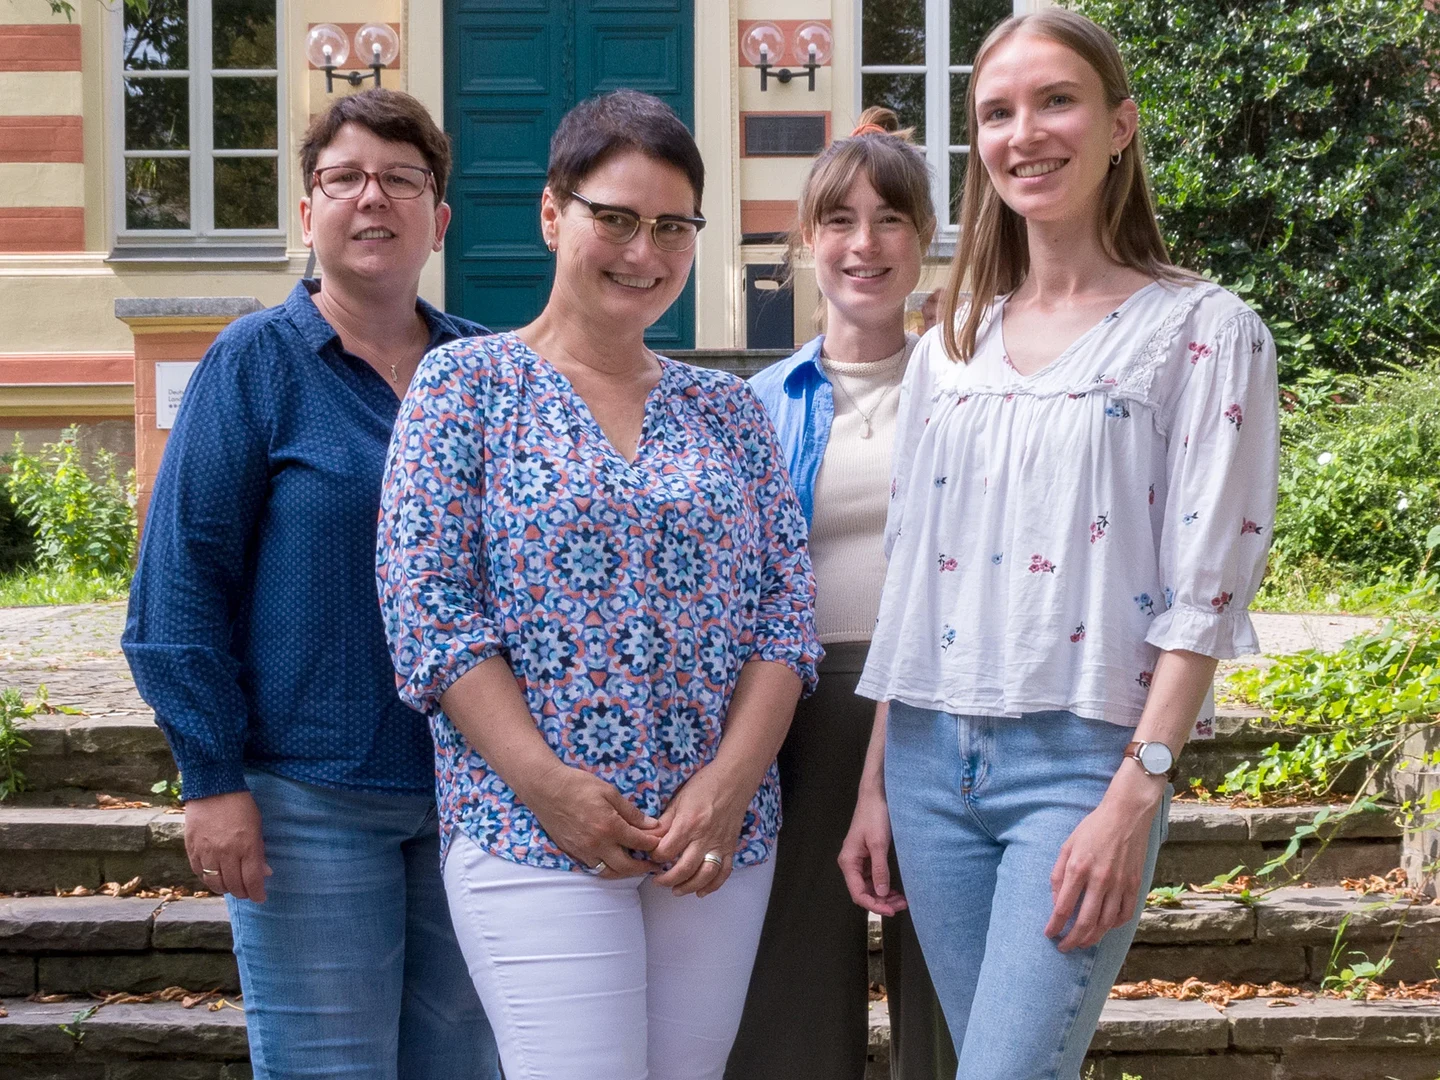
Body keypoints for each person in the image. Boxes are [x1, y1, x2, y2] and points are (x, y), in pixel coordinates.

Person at [842, 10, 1280, 1078]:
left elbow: (1207, 588)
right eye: (997, 111)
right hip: (930, 761)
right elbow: (915, 573)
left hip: (1083, 763)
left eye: (1057, 101)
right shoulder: (950, 342)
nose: (1024, 133)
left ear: (1121, 124)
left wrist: (1140, 788)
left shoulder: (1207, 332)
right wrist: (874, 786)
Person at [375, 88, 822, 1080]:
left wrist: (732, 784)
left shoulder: (728, 412)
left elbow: (786, 616)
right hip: (531, 829)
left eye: (672, 226)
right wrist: (549, 786)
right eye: (613, 218)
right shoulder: (466, 388)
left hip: (714, 841)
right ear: (552, 214)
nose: (643, 250)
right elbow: (432, 613)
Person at [121, 88, 499, 1080]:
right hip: (304, 801)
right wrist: (211, 777)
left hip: (478, 799)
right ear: (307, 211)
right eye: (344, 179)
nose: (372, 200)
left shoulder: (487, 374)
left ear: (439, 216)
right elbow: (178, 587)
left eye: (401, 180)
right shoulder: (255, 363)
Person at [727, 107, 956, 1080]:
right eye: (840, 221)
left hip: (944, 705)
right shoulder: (752, 404)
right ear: (807, 243)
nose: (866, 244)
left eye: (891, 219)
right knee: (788, 984)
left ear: (922, 240)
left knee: (945, 986)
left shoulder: (974, 392)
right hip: (797, 709)